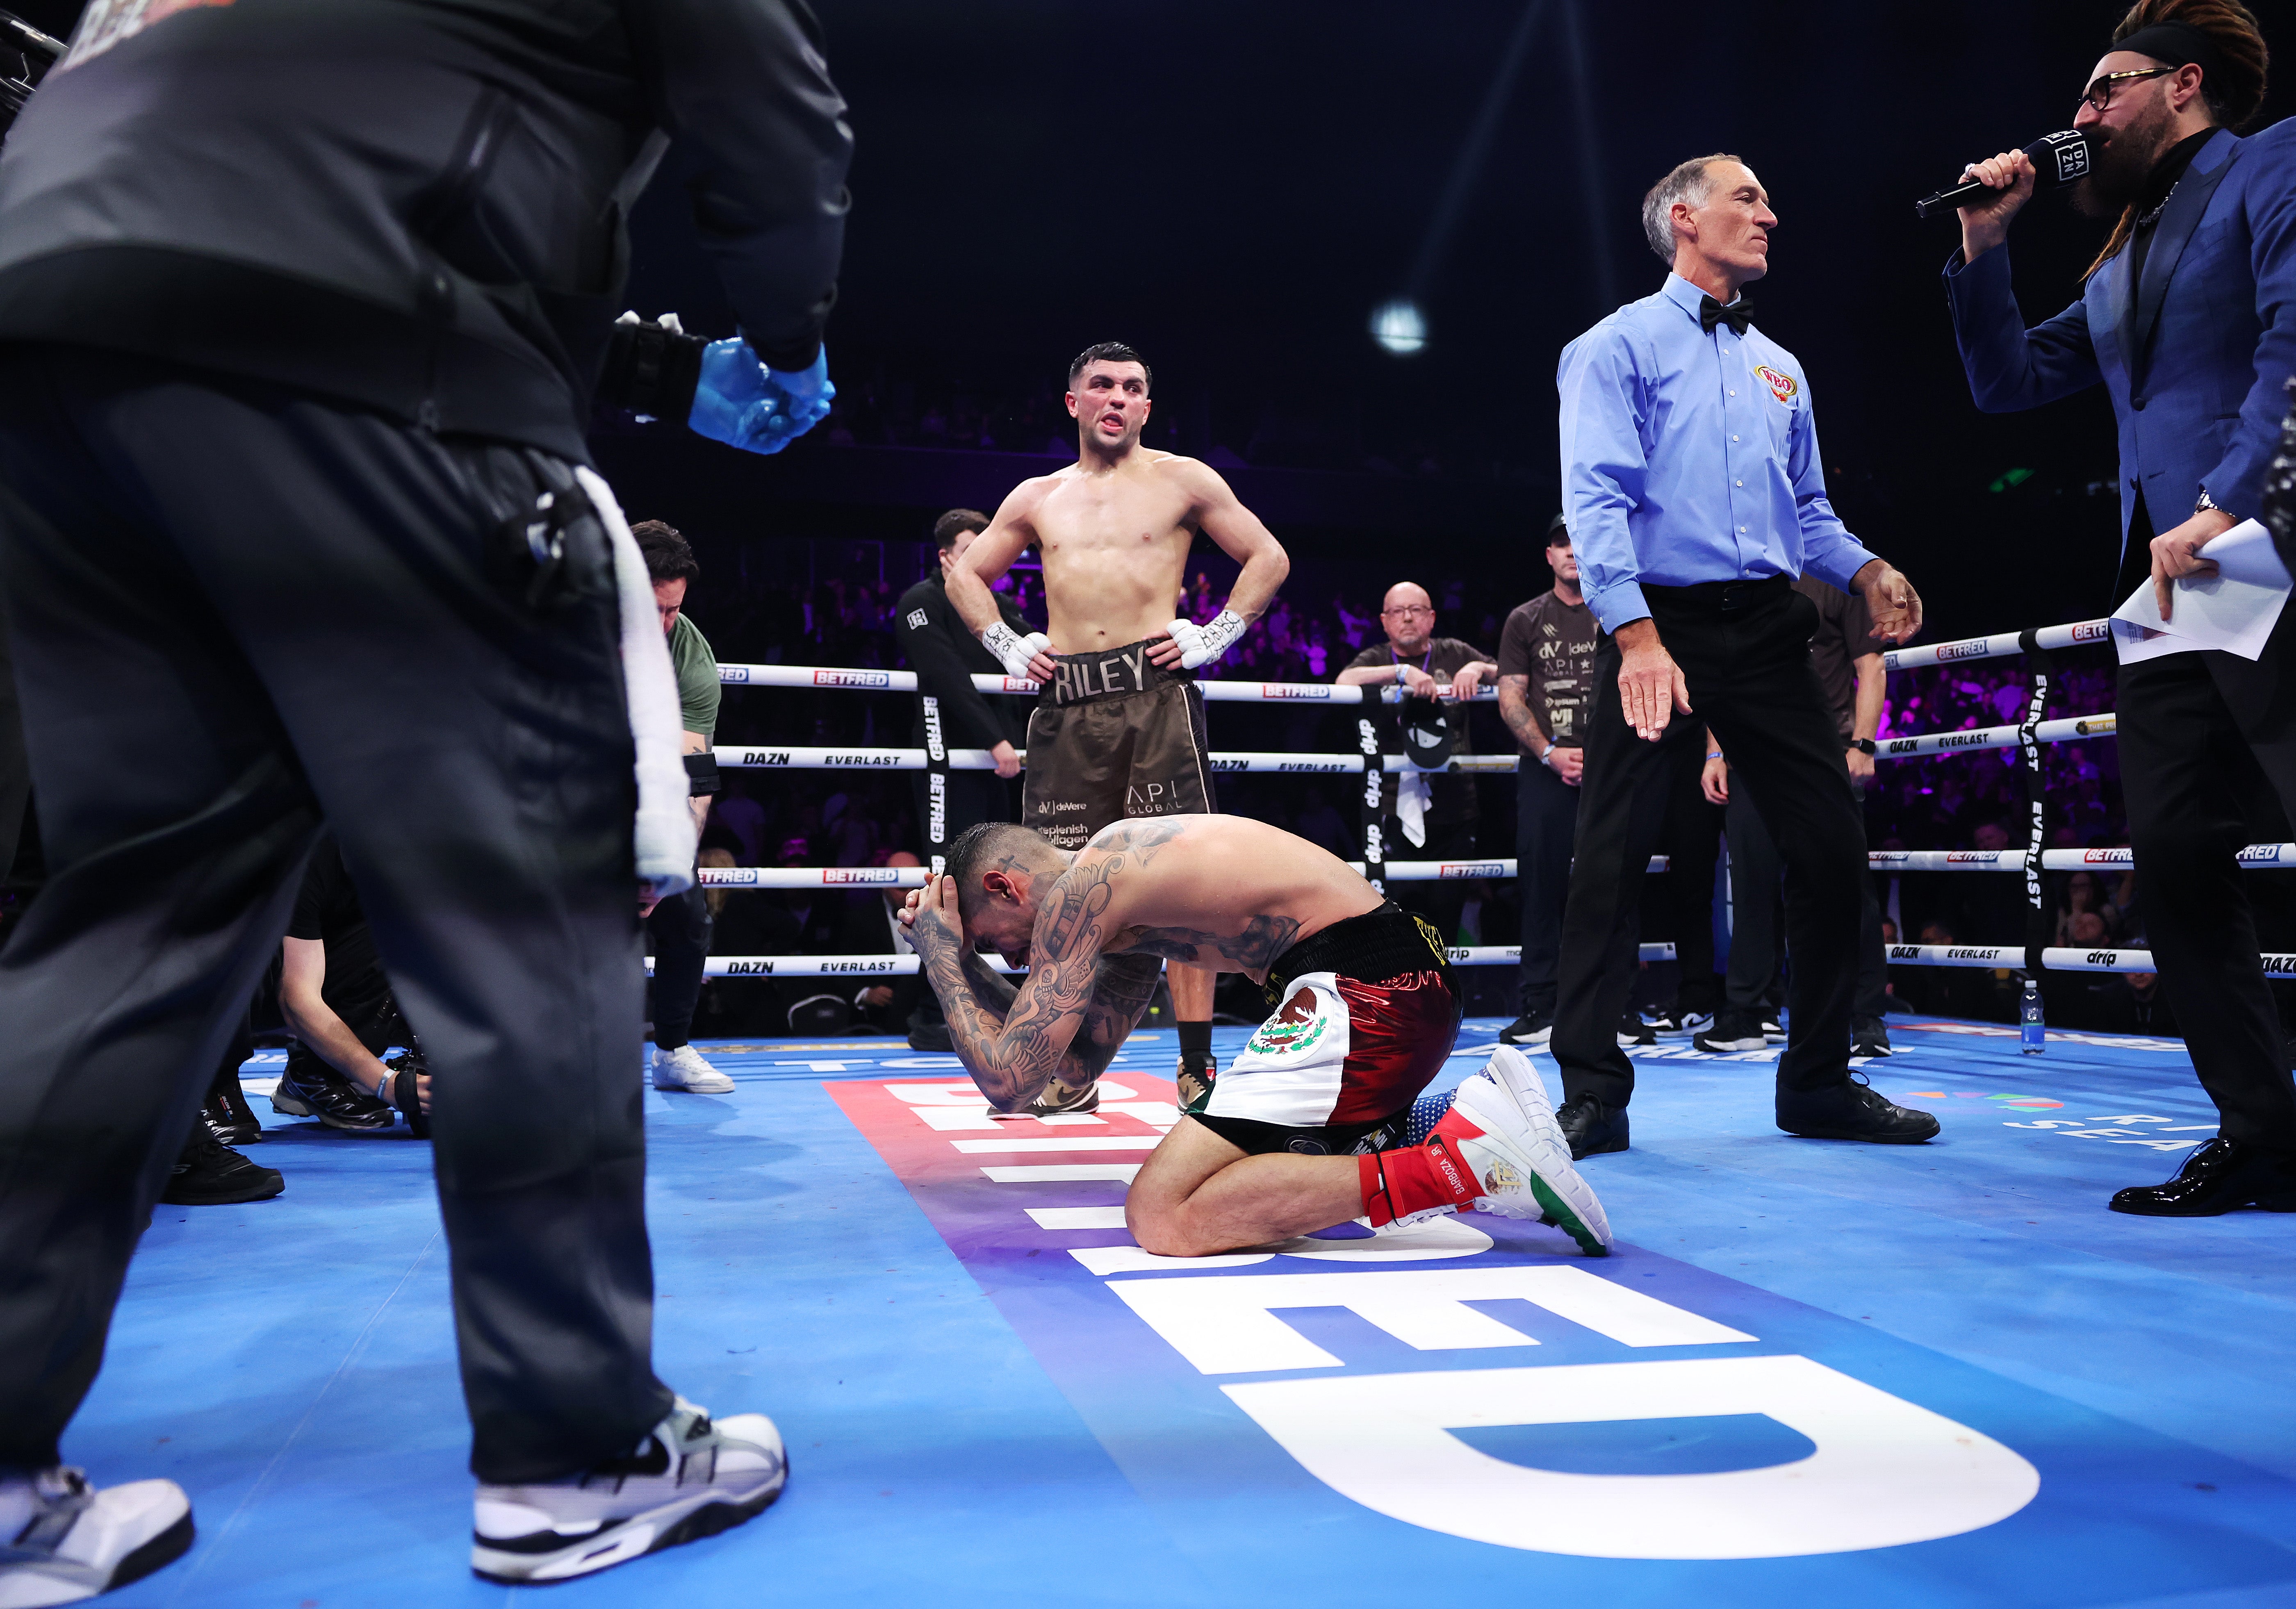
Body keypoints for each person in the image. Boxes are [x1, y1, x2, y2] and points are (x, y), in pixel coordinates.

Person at [0, 0, 851, 1593]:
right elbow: (774, 123)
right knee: (524, 895)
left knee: (129, 914)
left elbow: (300, 117)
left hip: (54, 302)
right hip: (349, 320)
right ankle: (575, 1449)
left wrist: (658, 364)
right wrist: (786, 343)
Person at [1945, 0, 2296, 1214]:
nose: (2080, 114)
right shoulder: (2120, 251)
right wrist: (1986, 243)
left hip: (2253, 543)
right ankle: (2262, 1134)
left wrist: (2229, 503)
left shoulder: (2270, 164)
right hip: (2162, 582)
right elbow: (2004, 382)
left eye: (2104, 90)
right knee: (2177, 859)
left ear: (2182, 84)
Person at [1549, 151, 1936, 1161]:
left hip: (1768, 629)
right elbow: (1594, 496)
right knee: (1612, 859)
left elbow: (1807, 511)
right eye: (1748, 198)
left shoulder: (1781, 365)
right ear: (1684, 217)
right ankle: (1592, 1092)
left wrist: (1866, 568)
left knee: (1829, 847)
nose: (1771, 214)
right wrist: (1635, 633)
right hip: (1659, 624)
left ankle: (1816, 1080)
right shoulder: (1614, 345)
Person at [899, 816, 1610, 1259]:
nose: (1015, 962)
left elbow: (1011, 1082)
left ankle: (1467, 1164)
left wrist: (939, 959)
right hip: (1389, 992)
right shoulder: (1121, 913)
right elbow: (1069, 1067)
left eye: (997, 943)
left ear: (1005, 885)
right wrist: (957, 959)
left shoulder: (1091, 886)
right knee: (1244, 1184)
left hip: (1366, 996)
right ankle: (1444, 1117)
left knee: (1165, 1216)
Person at [947, 342, 1291, 1110]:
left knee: (1183, 883)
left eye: (1133, 389)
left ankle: (1197, 1064)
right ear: (1074, 402)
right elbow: (966, 574)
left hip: (1155, 697)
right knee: (1062, 888)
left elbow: (1269, 556)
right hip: (1065, 705)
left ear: (1145, 406)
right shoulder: (1039, 496)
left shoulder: (1184, 480)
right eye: (1101, 386)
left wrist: (1215, 633)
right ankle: (1064, 1067)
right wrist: (1007, 641)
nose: (1117, 398)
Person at [1697, 574, 1896, 1058]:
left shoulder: (1836, 579)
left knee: (1845, 880)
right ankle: (1747, 1010)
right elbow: (1719, 672)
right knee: (1749, 881)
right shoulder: (1742, 574)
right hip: (1747, 748)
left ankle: (1863, 1014)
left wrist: (1863, 744)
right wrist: (1713, 752)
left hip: (1821, 749)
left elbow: (1869, 665)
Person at [895, 507, 1031, 1049]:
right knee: (945, 876)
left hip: (998, 763)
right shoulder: (920, 602)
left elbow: (1040, 657)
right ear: (946, 556)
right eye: (970, 552)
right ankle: (933, 1013)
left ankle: (970, 1002)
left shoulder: (1002, 610)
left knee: (989, 880)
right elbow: (944, 674)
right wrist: (994, 740)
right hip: (944, 760)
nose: (982, 564)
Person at [1335, 581, 1497, 952]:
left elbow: (1508, 673)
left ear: (1432, 617)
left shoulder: (1453, 651)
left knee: (1447, 913)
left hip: (1456, 805)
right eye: (1397, 611)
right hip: (1392, 806)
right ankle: (1404, 1003)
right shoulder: (1377, 657)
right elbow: (1344, 680)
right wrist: (1400, 674)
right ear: (1384, 621)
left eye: (1417, 609)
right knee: (1399, 914)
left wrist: (1477, 668)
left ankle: (1444, 1004)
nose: (1407, 617)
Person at [634, 519, 736, 1095]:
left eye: (673, 610)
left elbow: (694, 774)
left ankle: (671, 1049)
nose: (665, 624)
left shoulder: (688, 653)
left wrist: (667, 867)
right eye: (653, 609)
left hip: (644, 788)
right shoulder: (563, 627)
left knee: (686, 912)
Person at [1495, 515, 1599, 1046]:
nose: (1572, 551)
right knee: (1541, 885)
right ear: (1549, 554)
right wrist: (1551, 752)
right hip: (1546, 767)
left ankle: (1613, 1005)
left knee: (1611, 883)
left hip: (1610, 765)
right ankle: (1541, 1005)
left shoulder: (1619, 615)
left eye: (1580, 540)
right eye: (1562, 542)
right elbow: (1511, 695)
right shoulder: (1526, 618)